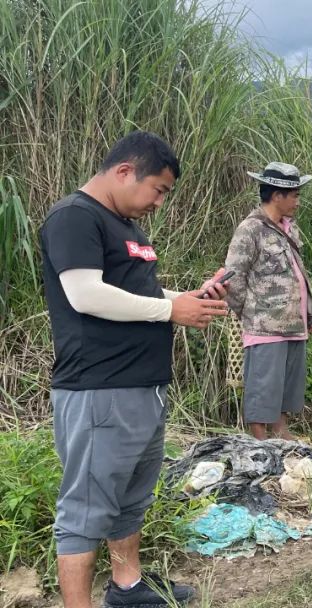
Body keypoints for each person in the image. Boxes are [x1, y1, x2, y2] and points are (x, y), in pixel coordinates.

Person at [40, 131, 229, 608]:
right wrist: (169, 311)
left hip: (144, 387)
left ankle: (127, 587)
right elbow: (85, 294)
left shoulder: (127, 227)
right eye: (158, 190)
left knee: (131, 497)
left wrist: (188, 300)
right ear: (125, 171)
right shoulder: (74, 217)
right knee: (85, 508)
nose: (159, 202)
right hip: (100, 389)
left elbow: (138, 295)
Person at [225, 162, 312, 440]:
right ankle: (259, 440)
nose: (298, 202)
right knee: (263, 385)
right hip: (265, 326)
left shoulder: (289, 228)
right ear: (277, 196)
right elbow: (233, 277)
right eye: (295, 196)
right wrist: (252, 313)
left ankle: (281, 431)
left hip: (294, 323)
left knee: (288, 384)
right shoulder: (250, 230)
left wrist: (308, 313)